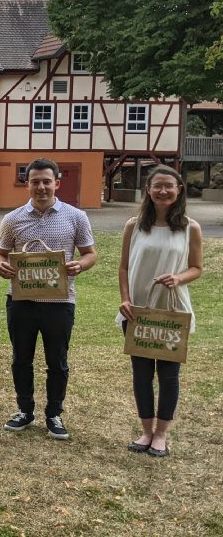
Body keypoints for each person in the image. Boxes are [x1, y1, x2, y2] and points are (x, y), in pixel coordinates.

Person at [0, 158, 97, 439]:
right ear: (27, 184)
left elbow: (90, 253)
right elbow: (0, 254)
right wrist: (0, 265)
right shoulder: (12, 219)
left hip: (60, 302)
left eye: (46, 181)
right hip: (21, 300)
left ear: (57, 183)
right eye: (35, 181)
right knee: (21, 359)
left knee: (57, 360)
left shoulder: (76, 217)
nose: (41, 187)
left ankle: (54, 414)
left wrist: (81, 265)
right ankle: (25, 410)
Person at [118, 165, 202, 457]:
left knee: (168, 375)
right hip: (138, 311)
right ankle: (145, 431)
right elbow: (125, 267)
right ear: (148, 190)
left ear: (179, 190)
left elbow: (197, 268)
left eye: (169, 186)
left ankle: (162, 434)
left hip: (172, 311)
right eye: (157, 186)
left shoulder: (190, 227)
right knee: (141, 374)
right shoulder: (134, 225)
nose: (163, 191)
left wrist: (178, 278)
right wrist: (126, 299)